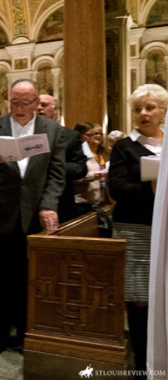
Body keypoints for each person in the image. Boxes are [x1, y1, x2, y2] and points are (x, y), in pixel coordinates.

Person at [0, 79, 65, 355]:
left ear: (36, 103)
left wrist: (49, 205)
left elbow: (56, 175)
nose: (19, 108)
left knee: (28, 280)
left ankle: (24, 333)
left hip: (33, 218)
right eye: (14, 102)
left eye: (25, 102)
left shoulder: (52, 130)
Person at [109, 84, 167, 379]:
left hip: (165, 230)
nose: (143, 113)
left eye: (150, 107)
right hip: (136, 231)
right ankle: (144, 366)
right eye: (137, 109)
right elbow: (116, 188)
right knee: (141, 299)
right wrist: (153, 187)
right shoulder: (124, 146)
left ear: (163, 111)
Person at [37, 94, 87, 223]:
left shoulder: (71, 136)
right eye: (36, 104)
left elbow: (80, 168)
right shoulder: (26, 136)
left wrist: (53, 166)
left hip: (60, 203)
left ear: (55, 110)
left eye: (44, 105)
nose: (38, 108)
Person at [73, 123, 109, 216]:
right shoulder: (75, 152)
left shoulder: (91, 151)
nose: (93, 137)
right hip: (80, 202)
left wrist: (101, 178)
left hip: (95, 201)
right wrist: (94, 175)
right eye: (89, 135)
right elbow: (73, 176)